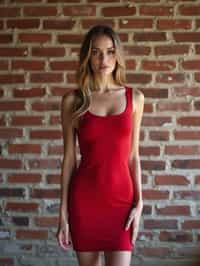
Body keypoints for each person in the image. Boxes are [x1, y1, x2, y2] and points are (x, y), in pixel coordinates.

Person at [57, 25, 144, 266]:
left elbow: (133, 156)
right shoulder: (72, 101)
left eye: (110, 51)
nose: (103, 59)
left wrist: (140, 201)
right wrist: (63, 213)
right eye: (96, 52)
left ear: (118, 55)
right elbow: (69, 160)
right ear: (87, 56)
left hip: (122, 203)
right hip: (85, 202)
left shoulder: (135, 98)